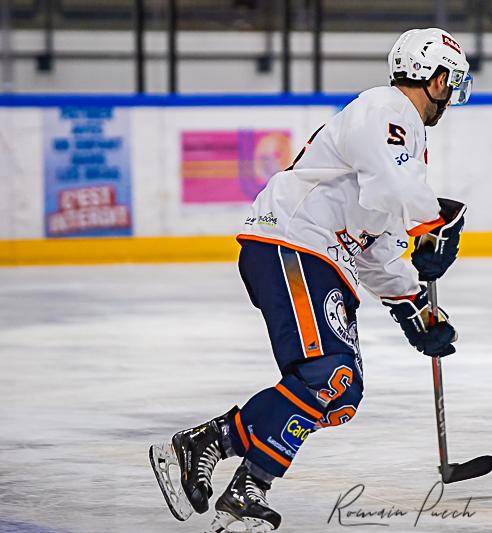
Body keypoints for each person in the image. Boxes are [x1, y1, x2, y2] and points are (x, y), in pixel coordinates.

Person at [149, 27, 472, 532]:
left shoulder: (405, 143)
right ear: (434, 79)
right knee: (328, 372)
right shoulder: (386, 109)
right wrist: (434, 225)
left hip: (319, 257)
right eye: (450, 84)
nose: (450, 98)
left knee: (340, 391)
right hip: (294, 244)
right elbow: (396, 190)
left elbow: (379, 239)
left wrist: (412, 304)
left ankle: (207, 447)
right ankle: (245, 481)